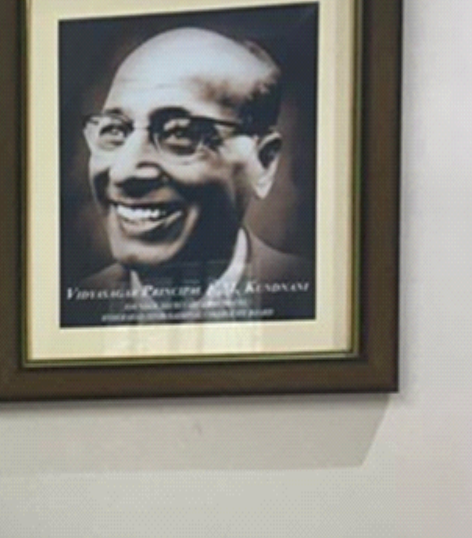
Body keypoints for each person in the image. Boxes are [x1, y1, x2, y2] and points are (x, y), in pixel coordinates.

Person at [71, 26, 315, 325]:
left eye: (180, 133)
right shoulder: (73, 312)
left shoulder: (314, 299)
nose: (124, 171)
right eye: (115, 130)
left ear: (263, 162)